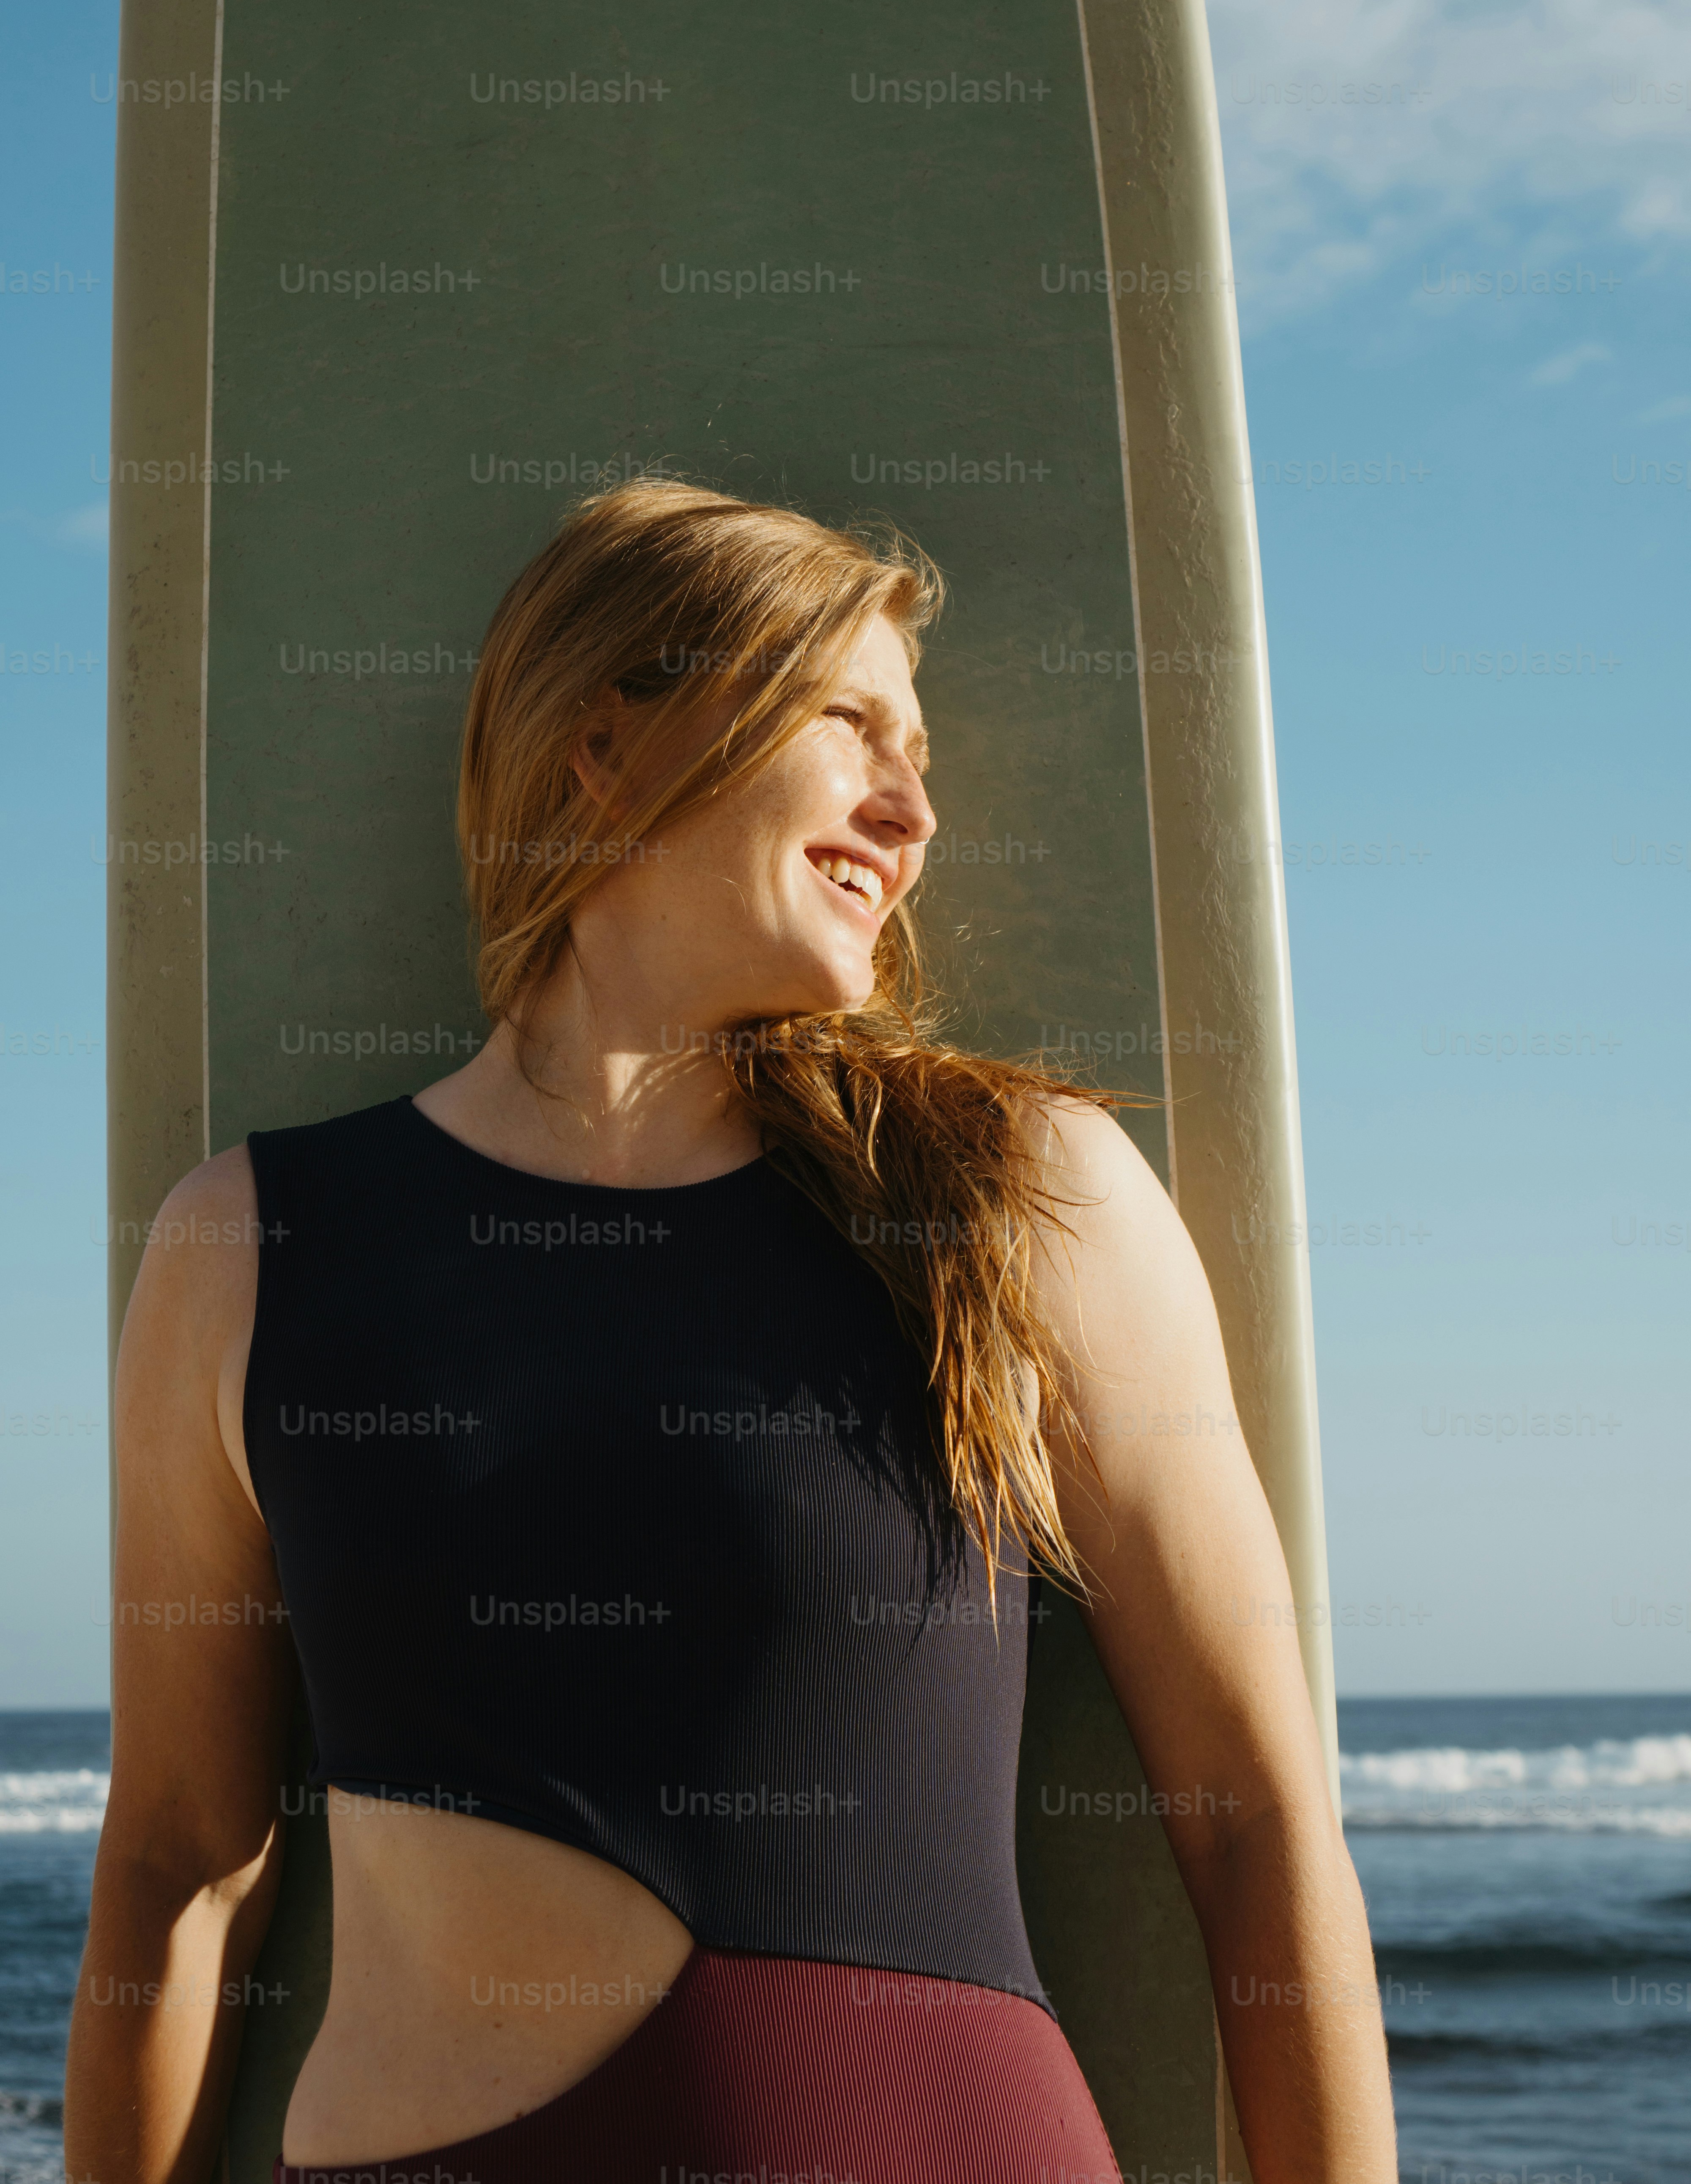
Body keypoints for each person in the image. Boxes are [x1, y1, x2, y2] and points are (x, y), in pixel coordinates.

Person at [66, 480, 1397, 2184]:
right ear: (603, 745)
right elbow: (182, 1855)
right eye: (851, 722)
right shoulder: (247, 1248)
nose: (910, 811)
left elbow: (1256, 1822)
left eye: (920, 751)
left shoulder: (1007, 1194)